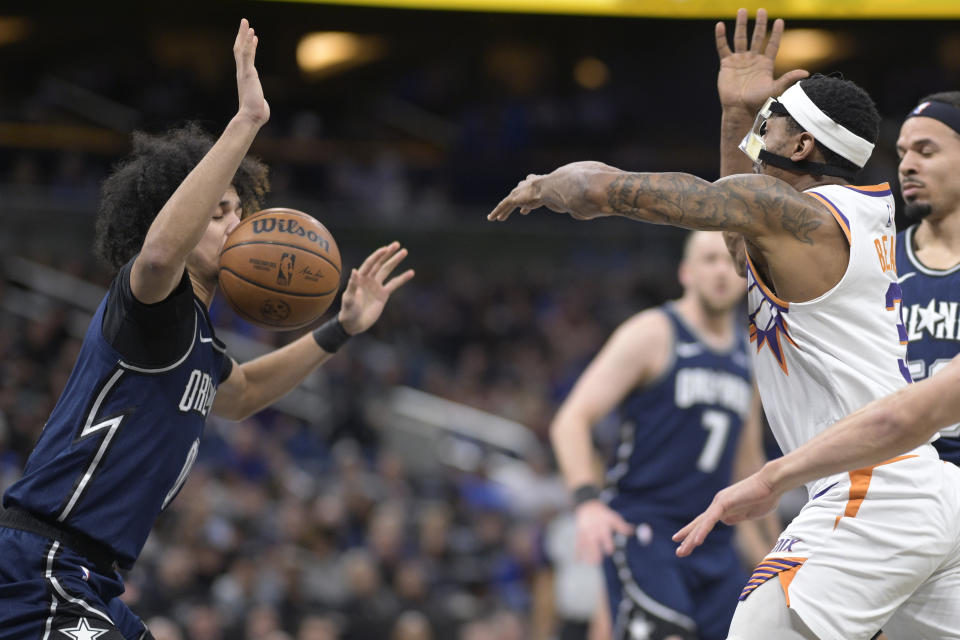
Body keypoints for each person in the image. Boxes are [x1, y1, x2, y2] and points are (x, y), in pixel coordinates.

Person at [487, 13, 960, 637]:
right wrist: (737, 113)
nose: (763, 122)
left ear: (802, 146)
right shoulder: (840, 218)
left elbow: (615, 190)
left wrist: (553, 182)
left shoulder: (801, 217)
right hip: (927, 495)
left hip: (870, 492)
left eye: (775, 117)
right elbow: (739, 245)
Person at [0, 20, 413, 640]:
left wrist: (341, 329)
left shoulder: (195, 338)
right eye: (218, 211)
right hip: (44, 564)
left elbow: (241, 394)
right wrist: (246, 122)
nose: (235, 223)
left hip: (95, 579)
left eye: (239, 210)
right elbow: (162, 256)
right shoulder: (146, 307)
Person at [551, 231, 770, 640]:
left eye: (730, 261)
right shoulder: (654, 332)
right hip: (647, 530)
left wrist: (774, 557)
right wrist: (586, 503)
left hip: (716, 542)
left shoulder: (749, 354)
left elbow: (749, 467)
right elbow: (571, 420)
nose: (722, 271)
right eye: (709, 260)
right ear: (685, 272)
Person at [895, 91, 960, 463]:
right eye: (903, 153)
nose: (906, 165)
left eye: (926, 151)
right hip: (902, 485)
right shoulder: (876, 262)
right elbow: (747, 261)